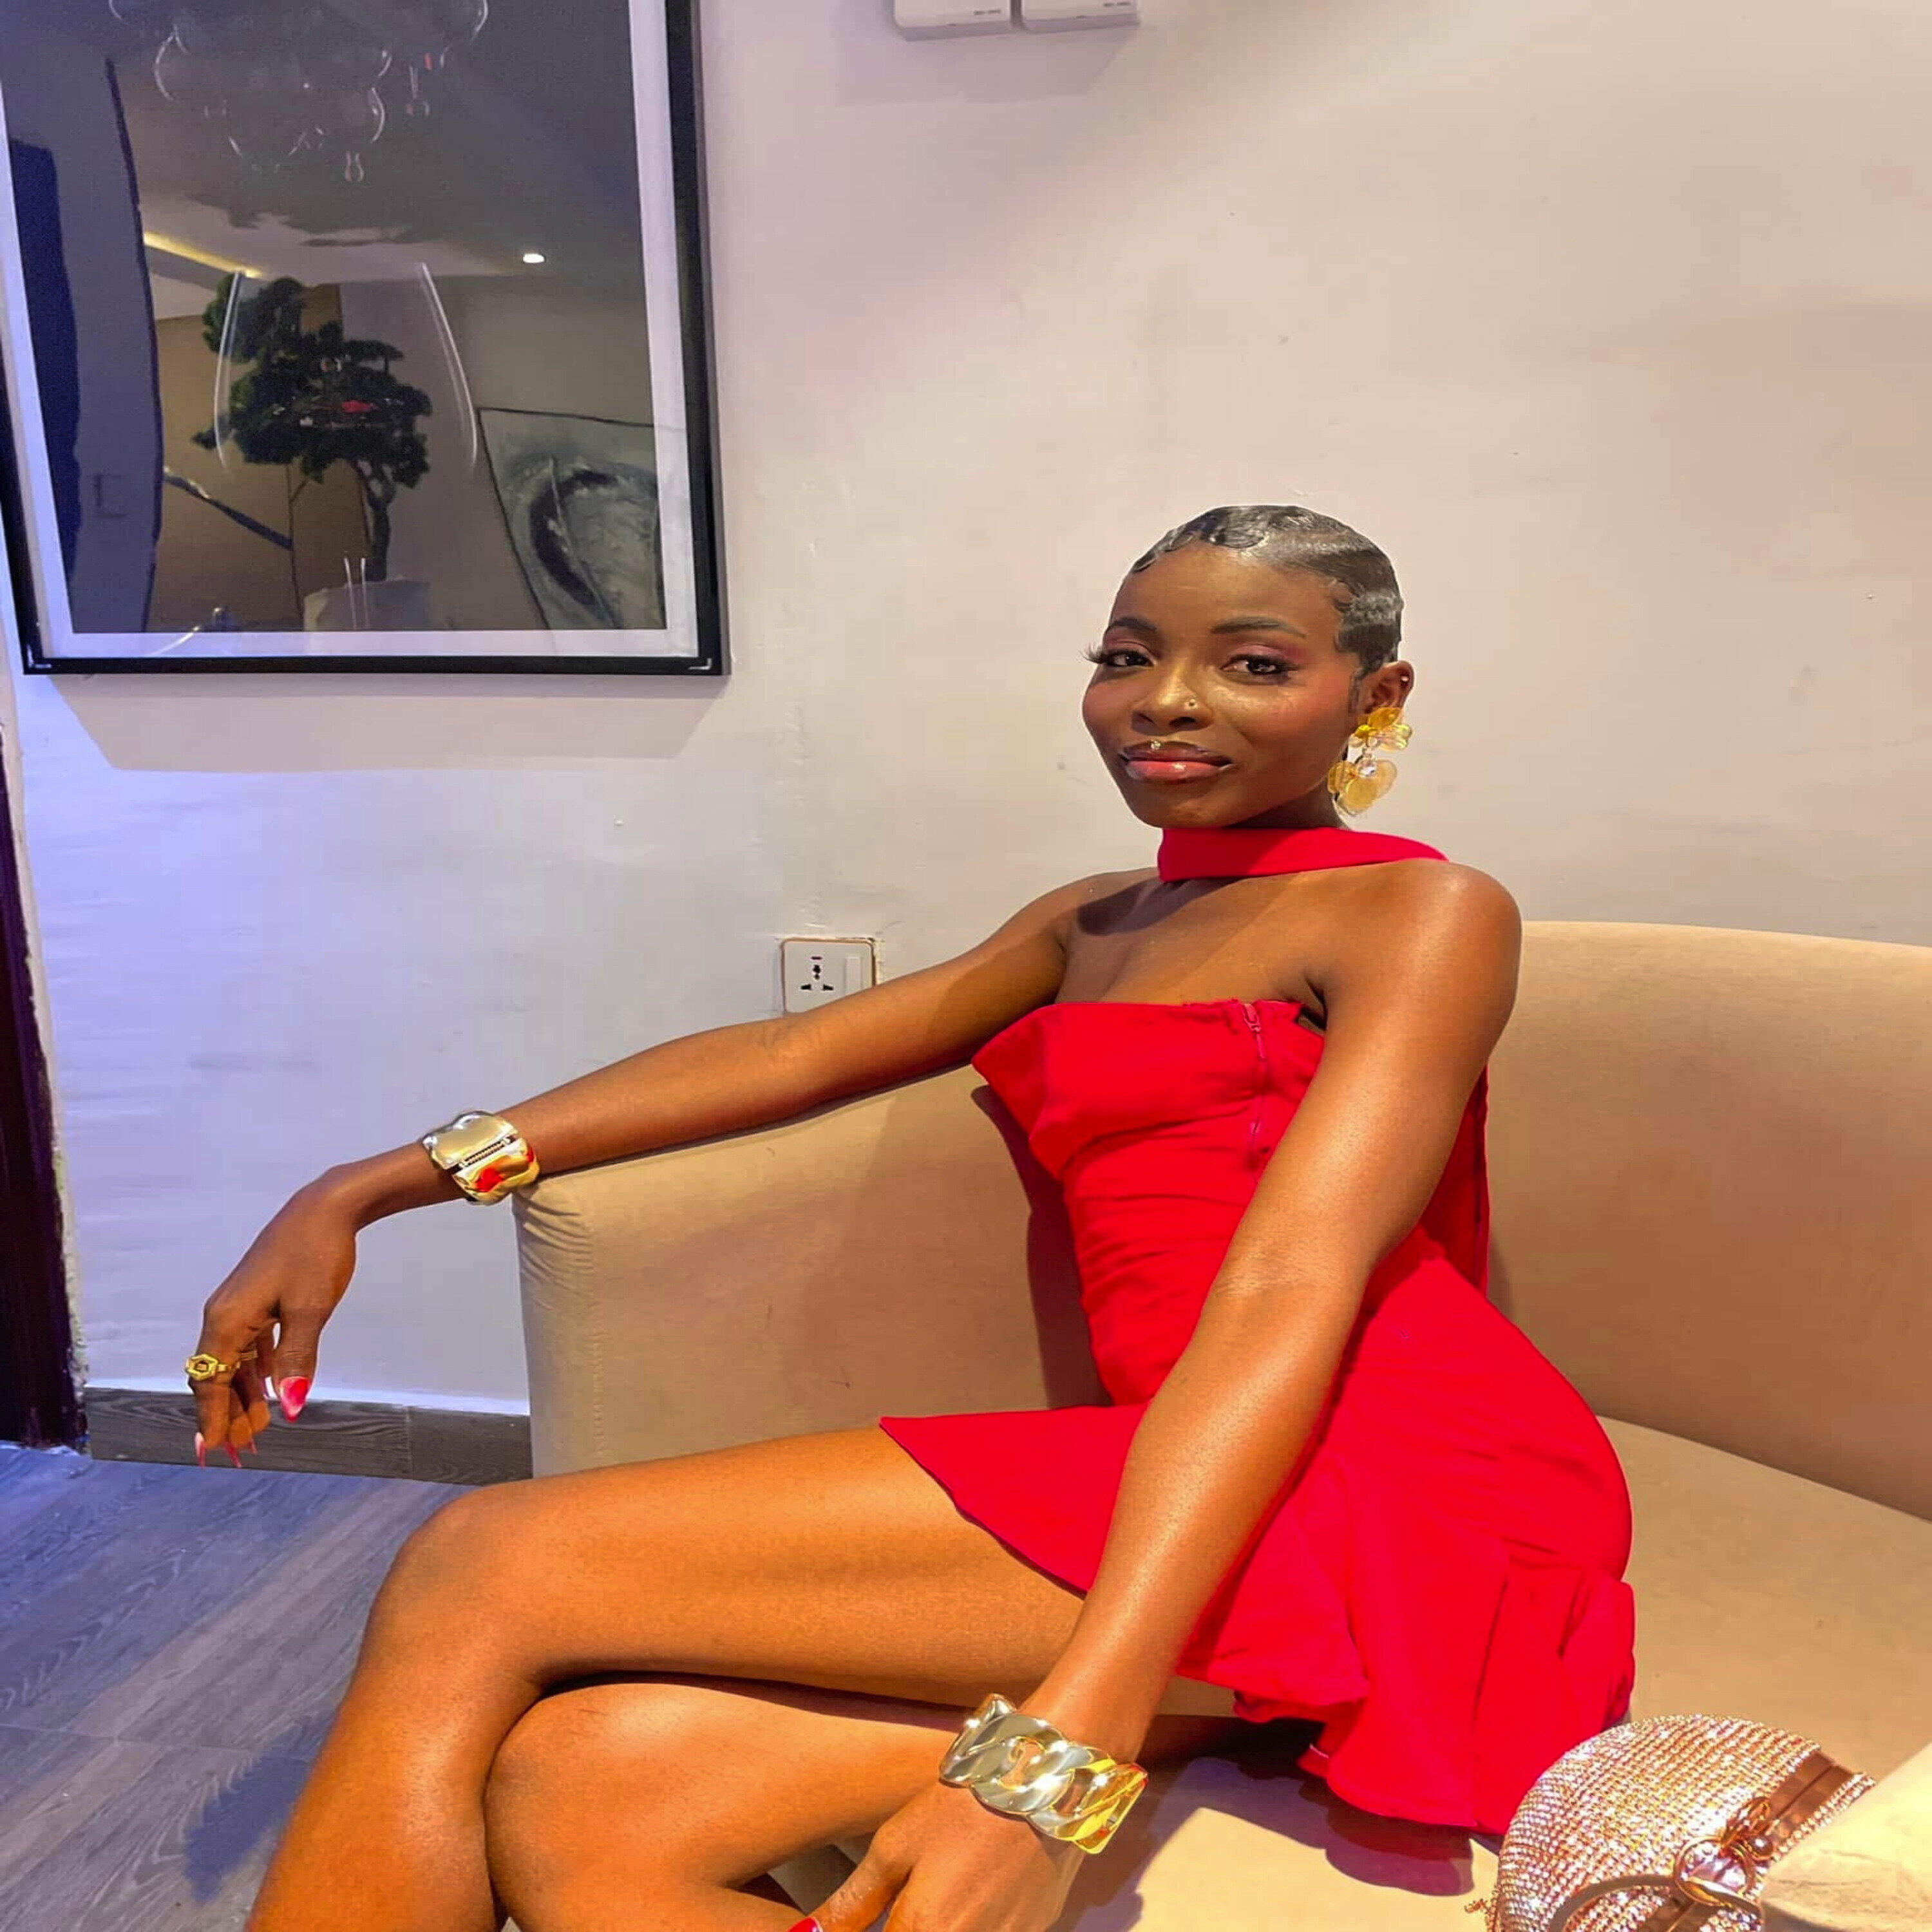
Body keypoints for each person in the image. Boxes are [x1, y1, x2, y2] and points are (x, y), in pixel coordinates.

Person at [187, 505, 1636, 1932]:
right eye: (1127, 656)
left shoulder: (1424, 914)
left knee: (481, 1559)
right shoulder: (1092, 924)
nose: (1167, 701)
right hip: (1186, 1462)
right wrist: (366, 1187)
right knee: (585, 1792)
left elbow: (1285, 1290)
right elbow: (787, 1055)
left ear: (1375, 694)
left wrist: (1060, 1762)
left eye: (1254, 664)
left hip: (1387, 1480)